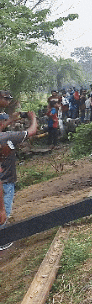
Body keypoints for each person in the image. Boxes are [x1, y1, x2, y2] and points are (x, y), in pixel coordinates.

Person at [0, 96, 38, 250]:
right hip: (5, 181)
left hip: (5, 180)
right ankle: (2, 241)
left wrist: (10, 121)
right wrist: (33, 118)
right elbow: (32, 131)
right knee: (3, 212)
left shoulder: (4, 135)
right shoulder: (8, 137)